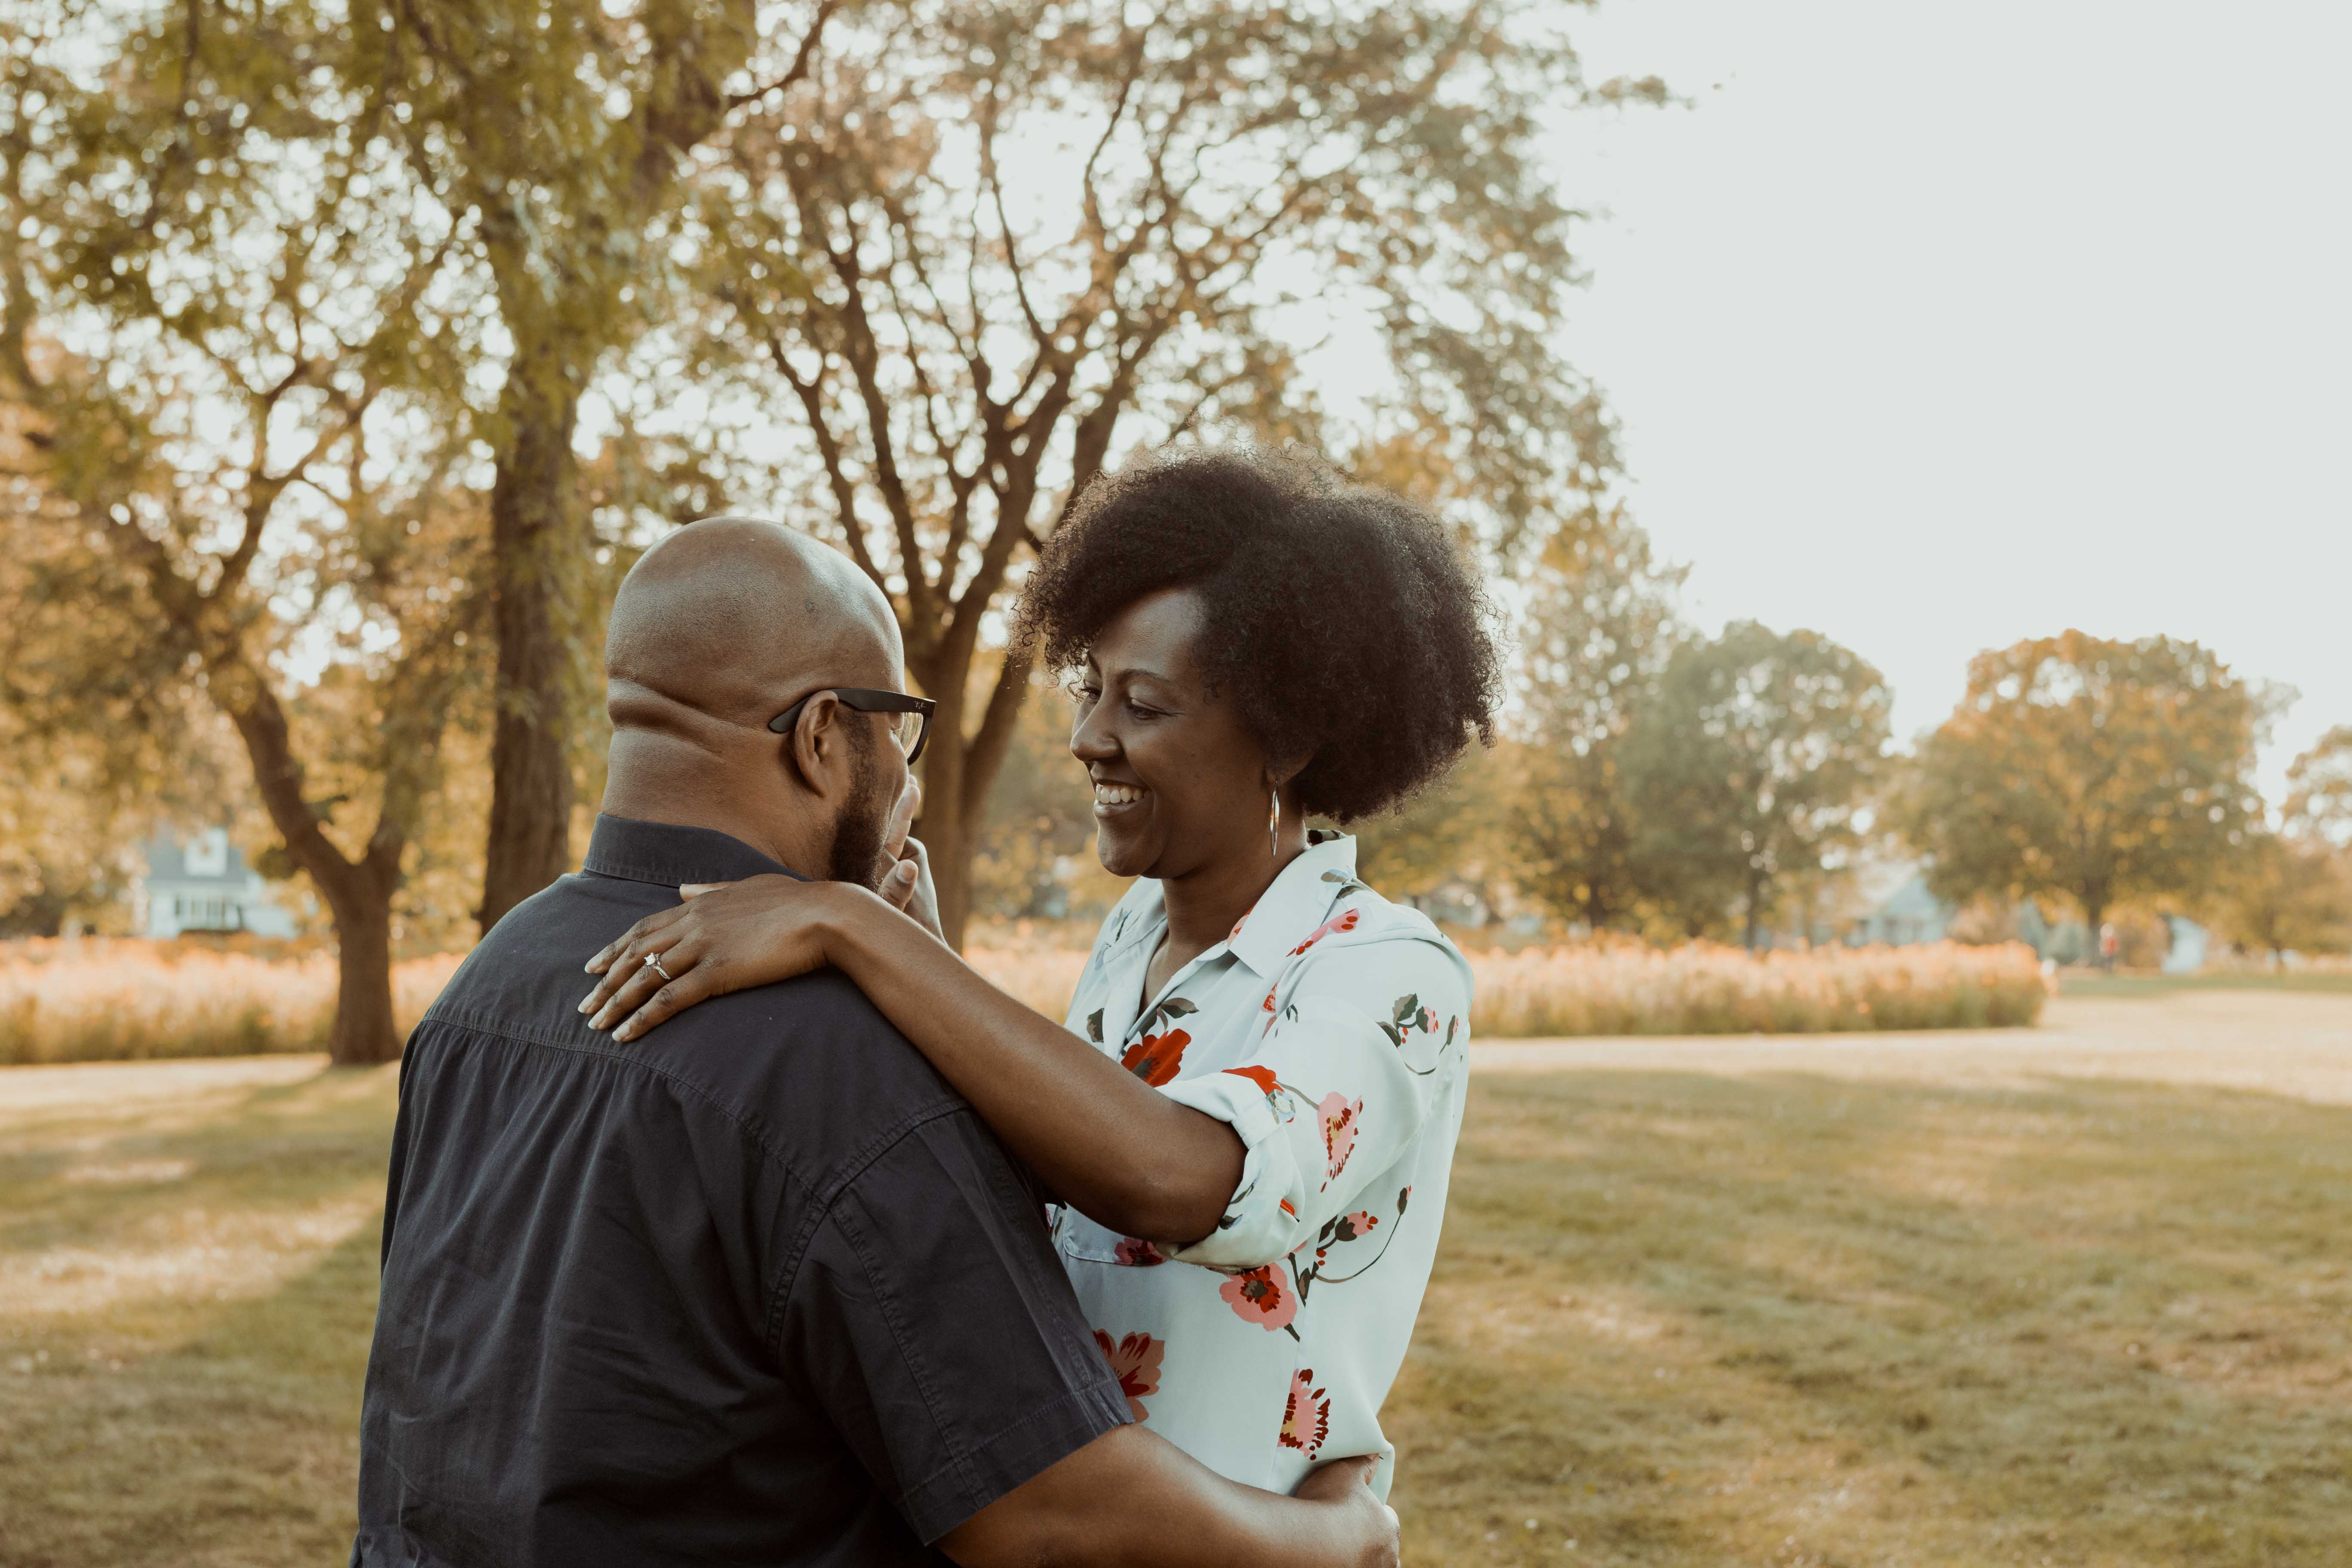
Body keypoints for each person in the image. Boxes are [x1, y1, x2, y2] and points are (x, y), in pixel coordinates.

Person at [351, 518, 1399, 1568]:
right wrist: (1331, 1538)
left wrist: (901, 951)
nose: (904, 770)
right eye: (897, 727)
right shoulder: (829, 1059)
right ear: (820, 737)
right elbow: (1043, 1514)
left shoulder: (491, 981)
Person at [576, 446, 1502, 1500]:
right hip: (1083, 1516)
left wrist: (849, 930)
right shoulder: (1130, 940)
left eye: (1143, 705)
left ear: (1284, 740)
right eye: (1089, 688)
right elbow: (1061, 1181)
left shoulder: (1389, 971)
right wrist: (915, 948)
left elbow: (1184, 1181)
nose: (1088, 738)